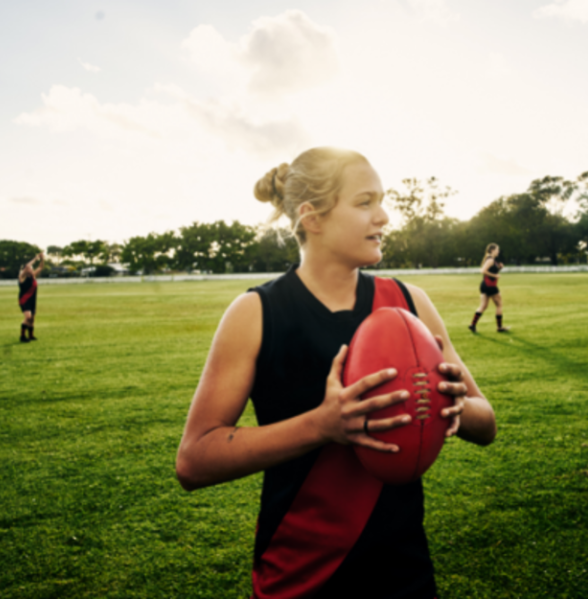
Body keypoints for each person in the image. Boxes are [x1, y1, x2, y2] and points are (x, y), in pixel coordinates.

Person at [175, 147, 497, 598]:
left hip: (404, 575)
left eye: (382, 201)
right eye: (365, 202)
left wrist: (454, 403)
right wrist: (322, 426)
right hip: (299, 577)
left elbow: (486, 423)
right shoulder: (256, 312)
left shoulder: (410, 303)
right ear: (313, 217)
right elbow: (194, 461)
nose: (383, 216)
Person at [468, 243, 508, 333]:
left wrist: (499, 268)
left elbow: (490, 271)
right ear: (492, 250)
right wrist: (495, 275)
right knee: (499, 305)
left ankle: (472, 325)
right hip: (490, 286)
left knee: (483, 306)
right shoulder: (490, 260)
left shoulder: (491, 259)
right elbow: (483, 271)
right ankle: (499, 327)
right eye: (497, 249)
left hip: (485, 285)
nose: (498, 251)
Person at [18, 252, 44, 342]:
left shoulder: (33, 277)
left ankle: (31, 336)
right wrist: (36, 258)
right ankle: (22, 337)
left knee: (32, 319)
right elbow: (27, 265)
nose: (31, 270)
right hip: (24, 300)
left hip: (32, 300)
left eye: (31, 269)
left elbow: (40, 267)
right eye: (29, 269)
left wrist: (42, 258)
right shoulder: (22, 277)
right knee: (28, 317)